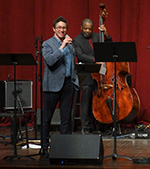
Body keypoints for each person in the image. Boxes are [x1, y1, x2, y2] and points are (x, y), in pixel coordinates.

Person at [40, 17, 79, 158]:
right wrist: (62, 47)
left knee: (66, 118)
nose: (62, 30)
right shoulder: (47, 44)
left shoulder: (70, 45)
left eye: (64, 28)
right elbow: (50, 61)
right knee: (47, 118)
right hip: (52, 86)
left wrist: (75, 79)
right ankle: (44, 147)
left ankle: (64, 148)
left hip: (68, 84)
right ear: (54, 29)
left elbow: (73, 63)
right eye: (59, 28)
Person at [73, 18, 111, 133]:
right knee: (86, 100)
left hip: (100, 73)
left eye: (89, 29)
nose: (87, 31)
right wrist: (95, 60)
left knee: (101, 100)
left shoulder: (97, 36)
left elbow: (109, 46)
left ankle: (102, 126)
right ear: (81, 27)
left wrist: (107, 34)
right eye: (85, 28)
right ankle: (86, 127)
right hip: (86, 74)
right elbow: (80, 55)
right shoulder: (76, 40)